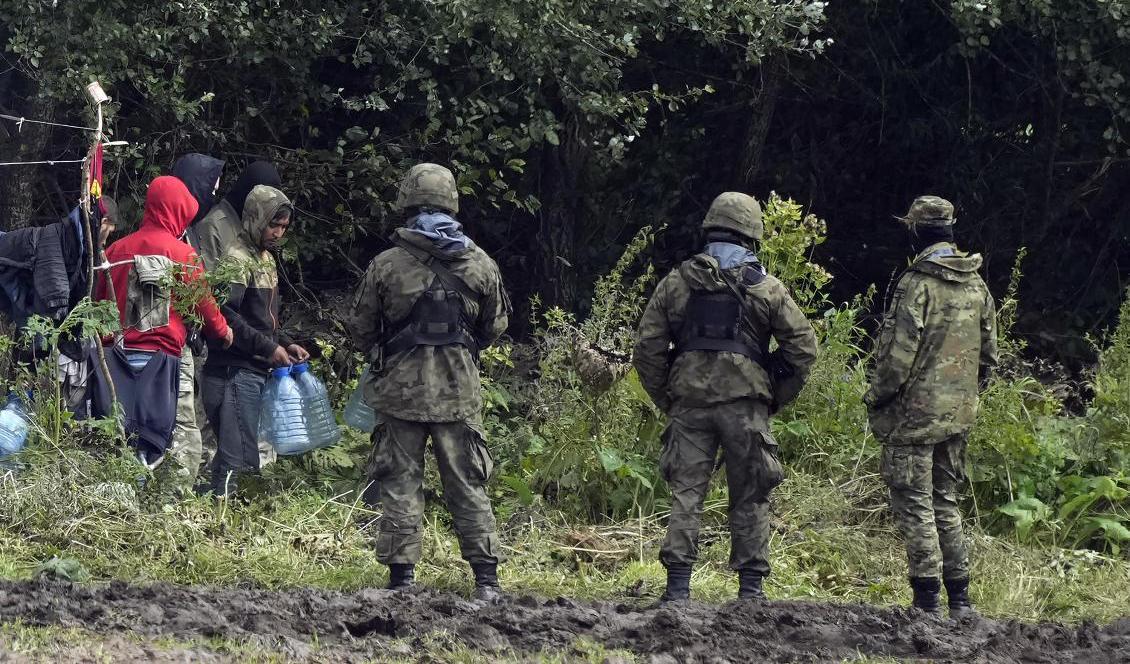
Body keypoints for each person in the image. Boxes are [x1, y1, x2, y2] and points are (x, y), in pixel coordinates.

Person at [633, 192, 818, 604]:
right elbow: (804, 349)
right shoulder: (766, 288)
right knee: (752, 495)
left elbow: (646, 349)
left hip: (689, 405)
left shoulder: (677, 282)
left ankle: (678, 590)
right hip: (746, 407)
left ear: (710, 228)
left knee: (686, 493)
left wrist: (668, 397)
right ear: (751, 235)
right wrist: (774, 395)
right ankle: (750, 592)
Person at [346, 163, 511, 601]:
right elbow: (495, 326)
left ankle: (402, 581)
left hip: (400, 392)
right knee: (467, 483)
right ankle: (487, 581)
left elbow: (360, 328)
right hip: (458, 393)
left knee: (399, 482)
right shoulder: (480, 264)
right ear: (452, 204)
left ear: (407, 203)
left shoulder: (386, 265)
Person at [865, 196, 997, 618]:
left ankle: (926, 605)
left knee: (916, 504)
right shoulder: (978, 285)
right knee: (946, 501)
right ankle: (960, 600)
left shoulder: (916, 284)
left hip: (913, 417)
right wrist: (963, 399)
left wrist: (877, 397)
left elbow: (896, 359)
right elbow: (989, 358)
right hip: (957, 416)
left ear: (916, 230)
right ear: (951, 227)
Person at [95, 176, 232, 475]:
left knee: (121, 431)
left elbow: (98, 303)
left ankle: (121, 492)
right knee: (179, 431)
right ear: (177, 212)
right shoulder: (183, 255)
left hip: (116, 358)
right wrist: (223, 332)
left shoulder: (117, 250)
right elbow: (204, 305)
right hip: (165, 361)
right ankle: (172, 502)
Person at [202, 184, 307, 497]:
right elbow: (227, 316)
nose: (277, 233)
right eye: (273, 225)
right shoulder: (236, 258)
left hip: (255, 368)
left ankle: (226, 514)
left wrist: (284, 342)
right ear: (255, 218)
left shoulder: (266, 260)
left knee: (239, 454)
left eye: (283, 228)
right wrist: (268, 348)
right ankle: (227, 518)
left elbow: (264, 319)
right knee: (240, 458)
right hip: (233, 370)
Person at [186, 161, 282, 271]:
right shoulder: (214, 225)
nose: (269, 205)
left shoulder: (255, 223)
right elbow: (205, 279)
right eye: (266, 198)